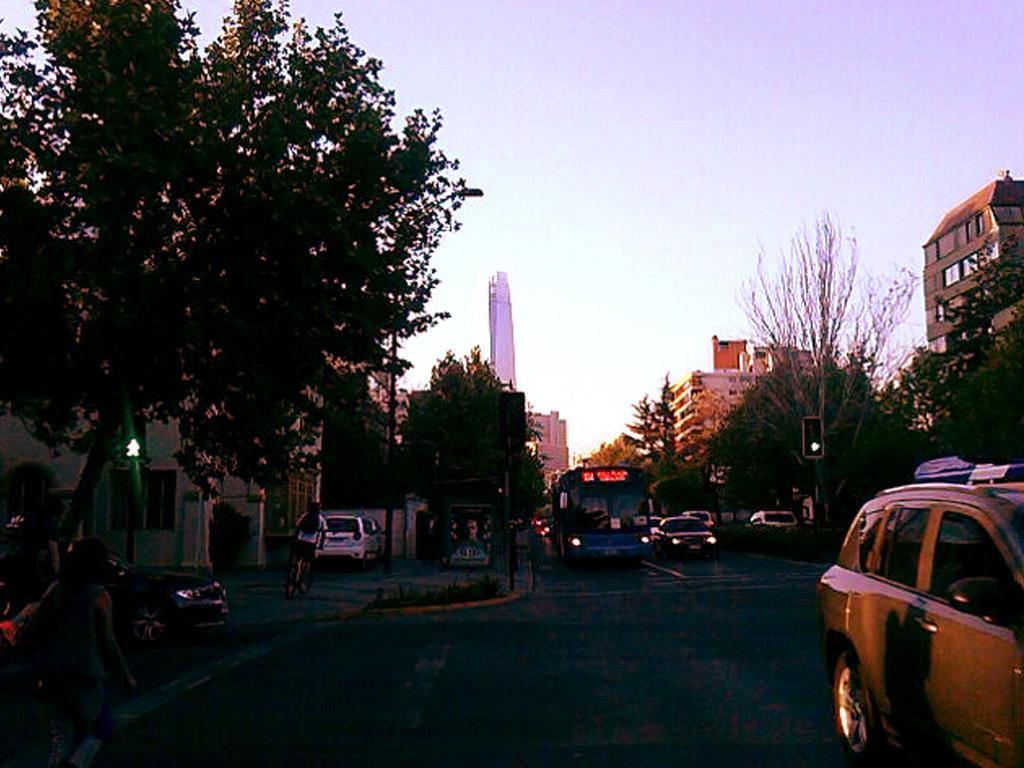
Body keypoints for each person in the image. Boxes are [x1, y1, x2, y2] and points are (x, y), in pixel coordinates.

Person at [31, 536, 135, 768]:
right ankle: (76, 764)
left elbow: (37, 625)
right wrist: (125, 675)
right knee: (100, 728)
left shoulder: (57, 588)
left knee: (61, 732)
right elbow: (108, 641)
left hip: (53, 670)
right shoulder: (98, 594)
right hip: (85, 670)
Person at [291, 501, 325, 584]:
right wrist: (321, 544)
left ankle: (296, 572)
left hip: (300, 540)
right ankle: (303, 576)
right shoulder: (320, 518)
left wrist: (295, 538)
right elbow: (323, 532)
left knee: (298, 558)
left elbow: (297, 526)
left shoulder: (305, 515)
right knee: (308, 560)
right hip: (311, 542)